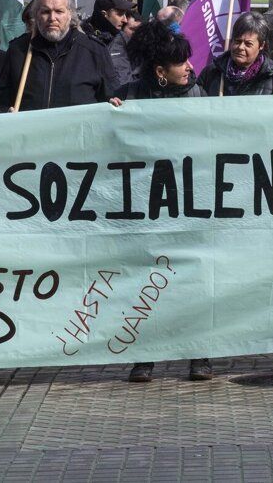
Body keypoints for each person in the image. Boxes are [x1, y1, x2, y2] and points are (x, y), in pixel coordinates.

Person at [104, 21, 213, 382]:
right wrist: (110, 114)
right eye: (181, 63)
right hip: (146, 208)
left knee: (192, 279)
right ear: (160, 71)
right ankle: (145, 355)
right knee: (145, 280)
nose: (190, 68)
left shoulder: (199, 94)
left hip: (188, 205)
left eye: (188, 61)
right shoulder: (129, 95)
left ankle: (199, 354)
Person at [0, 0, 114, 112]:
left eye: (59, 11)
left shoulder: (94, 51)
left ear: (69, 14)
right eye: (45, 11)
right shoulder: (18, 50)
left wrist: (113, 102)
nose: (52, 18)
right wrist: (5, 112)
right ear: (36, 15)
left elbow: (112, 101)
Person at [196, 12, 273, 96]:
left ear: (261, 45)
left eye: (248, 44)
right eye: (237, 41)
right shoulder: (211, 73)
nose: (240, 47)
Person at [82, 0, 136, 89]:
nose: (125, 20)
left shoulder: (123, 38)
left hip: (127, 102)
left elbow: (137, 69)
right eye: (120, 14)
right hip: (99, 102)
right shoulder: (82, 40)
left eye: (125, 14)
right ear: (104, 14)